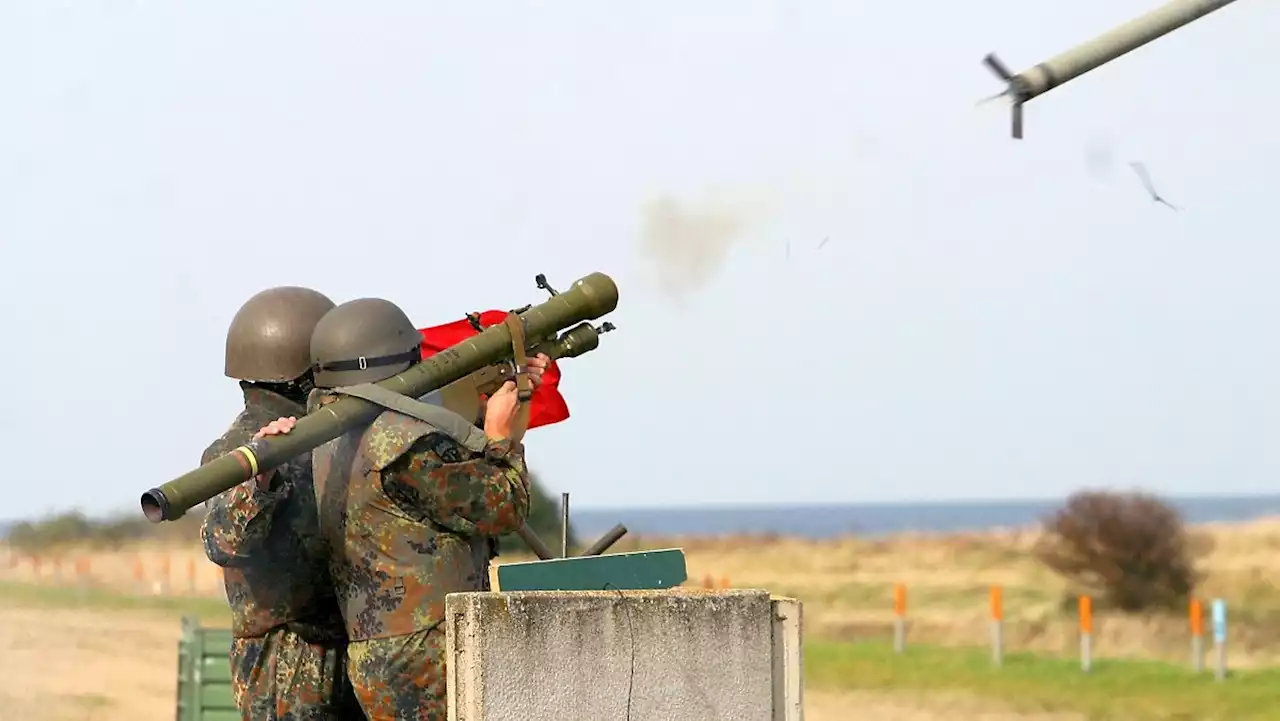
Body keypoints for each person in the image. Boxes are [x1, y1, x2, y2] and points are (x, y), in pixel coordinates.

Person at [307, 297, 545, 721]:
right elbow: (504, 506)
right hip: (428, 653)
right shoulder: (408, 445)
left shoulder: (329, 437)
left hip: (374, 650)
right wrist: (499, 435)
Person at [199, 286, 365, 720]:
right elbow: (224, 542)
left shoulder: (320, 431)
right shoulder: (237, 449)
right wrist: (261, 476)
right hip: (287, 656)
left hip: (335, 641)